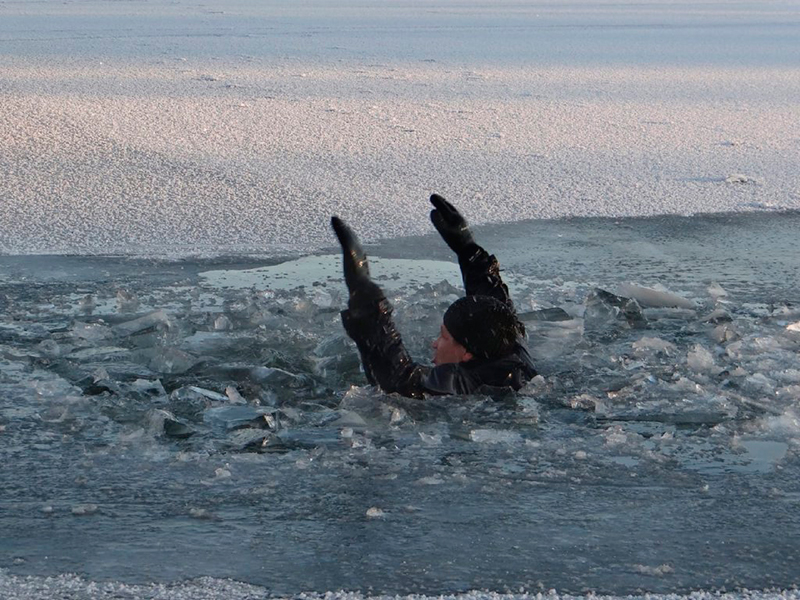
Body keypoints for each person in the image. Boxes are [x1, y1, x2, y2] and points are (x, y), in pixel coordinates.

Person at [331, 194, 536, 398]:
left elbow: (399, 380)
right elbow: (497, 313)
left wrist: (363, 295)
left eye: (444, 337)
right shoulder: (513, 351)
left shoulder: (463, 383)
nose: (434, 343)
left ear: (467, 354)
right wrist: (468, 250)